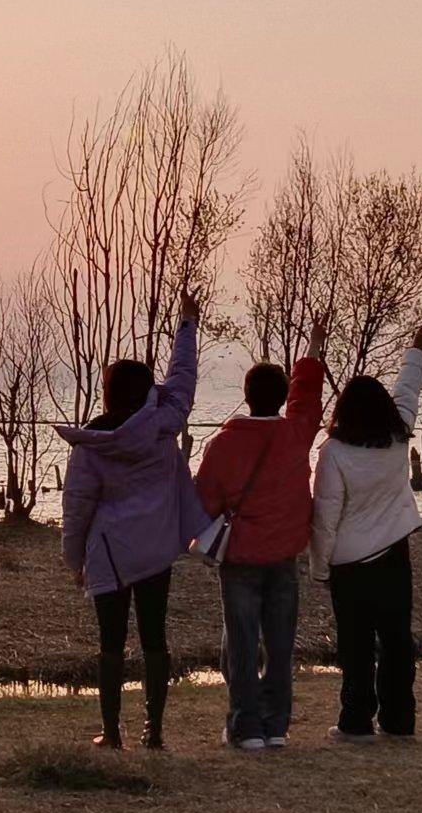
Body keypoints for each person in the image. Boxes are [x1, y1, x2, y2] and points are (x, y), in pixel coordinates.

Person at [57, 288, 208, 751]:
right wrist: (186, 325)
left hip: (108, 556)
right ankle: (155, 731)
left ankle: (114, 731)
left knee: (110, 642)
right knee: (155, 637)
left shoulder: (92, 446)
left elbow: (77, 507)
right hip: (156, 551)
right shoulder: (164, 425)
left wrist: (73, 557)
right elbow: (182, 378)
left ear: (106, 394)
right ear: (148, 393)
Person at [194, 318, 328, 751]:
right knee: (280, 646)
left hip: (240, 561)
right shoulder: (296, 433)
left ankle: (245, 725)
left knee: (242, 644)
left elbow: (204, 504)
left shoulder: (223, 445)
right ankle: (275, 725)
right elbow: (307, 395)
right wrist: (314, 345)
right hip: (284, 558)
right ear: (280, 398)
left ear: (246, 397)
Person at [309, 321, 422, 742]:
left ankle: (356, 721)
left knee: (356, 646)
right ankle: (399, 721)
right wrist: (416, 348)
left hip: (349, 563)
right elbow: (407, 390)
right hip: (395, 553)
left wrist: (319, 567)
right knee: (397, 639)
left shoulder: (333, 452)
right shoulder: (398, 438)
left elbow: (326, 516)